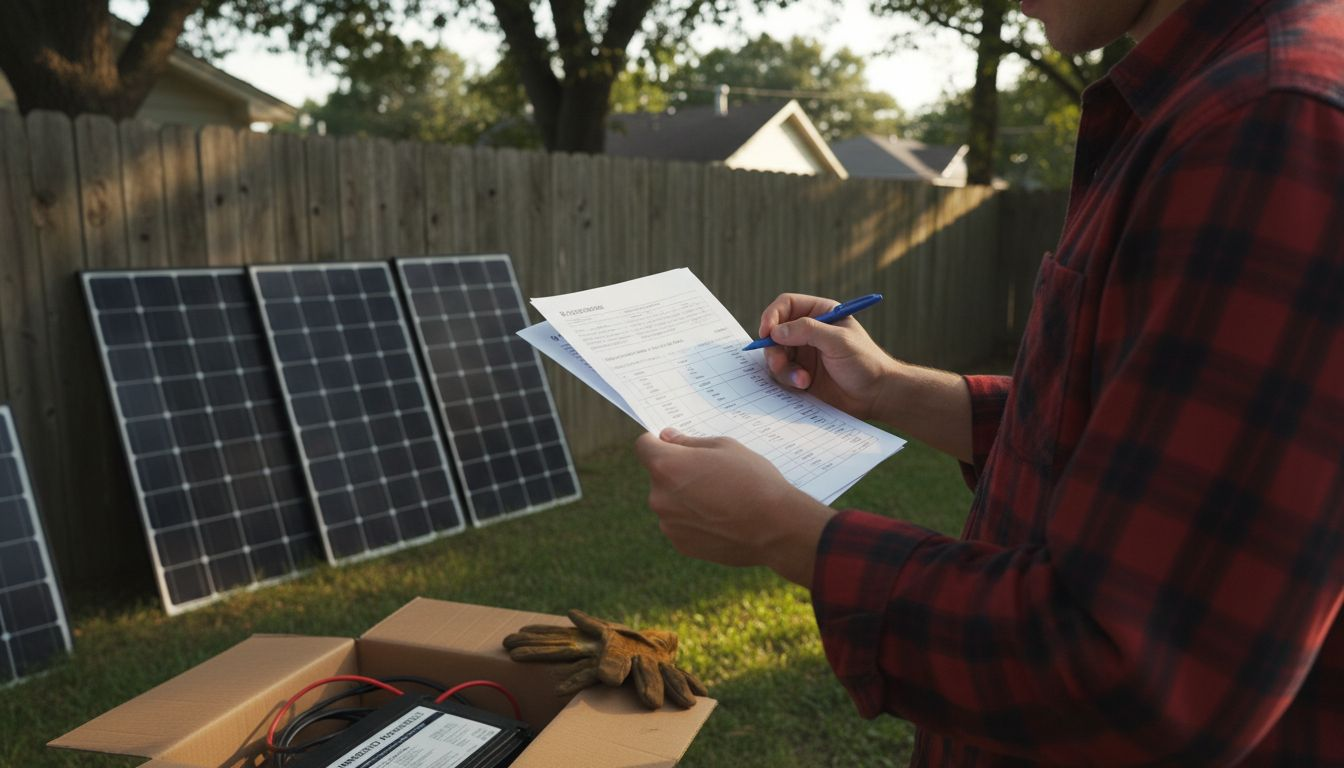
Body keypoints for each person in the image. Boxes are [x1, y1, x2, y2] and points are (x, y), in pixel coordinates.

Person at [633, 0, 1344, 763]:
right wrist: (884, 388)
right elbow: (1129, 434)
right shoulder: (1215, 97)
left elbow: (1126, 674)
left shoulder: (1270, 123)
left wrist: (784, 530)